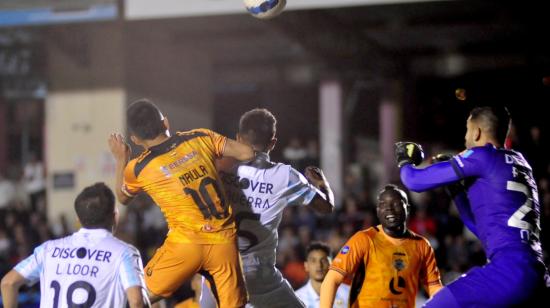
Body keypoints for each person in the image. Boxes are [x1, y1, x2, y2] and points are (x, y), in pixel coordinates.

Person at [394, 106, 549, 307]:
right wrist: (456, 191)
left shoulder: (481, 155)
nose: (465, 137)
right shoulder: (521, 164)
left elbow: (414, 181)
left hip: (506, 273)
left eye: (467, 130)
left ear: (476, 132)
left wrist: (405, 160)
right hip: (537, 276)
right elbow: (481, 228)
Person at [108, 99, 254, 307]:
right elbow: (247, 153)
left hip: (185, 246)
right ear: (165, 123)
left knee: (132, 300)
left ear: (135, 139)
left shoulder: (139, 167)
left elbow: (123, 198)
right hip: (224, 242)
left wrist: (121, 158)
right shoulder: (200, 137)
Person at [200, 108, 335, 308]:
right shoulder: (284, 176)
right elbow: (326, 207)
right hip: (258, 274)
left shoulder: (220, 169)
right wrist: (323, 183)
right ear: (272, 143)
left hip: (217, 269)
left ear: (238, 138)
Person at [0, 182, 146, 308]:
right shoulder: (124, 253)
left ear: (78, 218)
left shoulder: (48, 250)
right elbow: (136, 301)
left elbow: (8, 283)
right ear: (115, 216)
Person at [320, 184, 442, 308]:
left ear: (408, 209)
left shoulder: (422, 245)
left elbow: (434, 287)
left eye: (396, 204)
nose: (389, 209)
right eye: (383, 205)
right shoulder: (364, 239)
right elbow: (332, 279)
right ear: (378, 211)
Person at [295, 242, 349, 308]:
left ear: (331, 264)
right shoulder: (297, 299)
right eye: (313, 261)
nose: (319, 265)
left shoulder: (347, 293)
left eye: (323, 260)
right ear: (306, 266)